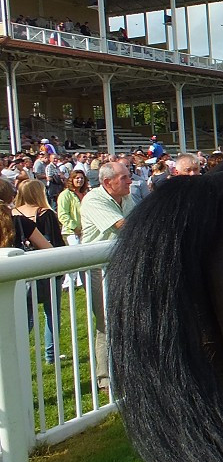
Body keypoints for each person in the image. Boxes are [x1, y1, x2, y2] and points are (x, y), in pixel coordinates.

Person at [81, 161, 135, 393]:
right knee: (106, 321)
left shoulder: (127, 197)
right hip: (97, 269)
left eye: (128, 176)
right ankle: (105, 378)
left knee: (128, 317)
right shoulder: (94, 199)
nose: (129, 181)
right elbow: (125, 226)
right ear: (107, 182)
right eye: (124, 178)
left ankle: (128, 369)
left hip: (121, 263)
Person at [13, 179, 66, 364]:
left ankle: (14, 350)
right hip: (46, 268)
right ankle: (51, 355)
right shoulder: (46, 213)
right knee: (51, 313)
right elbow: (56, 244)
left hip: (22, 271)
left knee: (27, 314)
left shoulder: (13, 214)